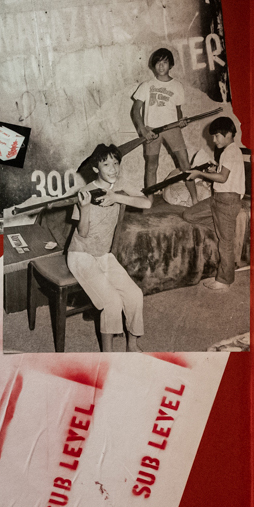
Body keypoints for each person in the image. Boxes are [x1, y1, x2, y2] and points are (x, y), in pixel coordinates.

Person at [67, 143, 152, 351]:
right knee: (112, 302)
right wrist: (84, 208)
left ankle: (132, 345)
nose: (113, 169)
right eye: (106, 164)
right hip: (81, 255)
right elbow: (83, 233)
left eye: (116, 163)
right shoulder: (85, 192)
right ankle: (108, 355)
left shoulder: (120, 183)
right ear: (96, 168)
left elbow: (147, 203)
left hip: (103, 255)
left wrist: (116, 197)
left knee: (134, 295)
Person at [186, 115, 246, 292]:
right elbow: (223, 174)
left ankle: (224, 280)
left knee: (225, 243)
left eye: (217, 136)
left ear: (228, 134)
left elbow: (222, 177)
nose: (214, 139)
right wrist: (213, 169)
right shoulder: (228, 152)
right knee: (189, 215)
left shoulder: (231, 151)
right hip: (218, 198)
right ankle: (225, 228)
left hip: (227, 200)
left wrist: (200, 174)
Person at [131, 48, 191, 192]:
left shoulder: (177, 86)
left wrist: (181, 121)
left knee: (185, 164)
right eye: (158, 62)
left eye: (164, 62)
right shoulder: (146, 85)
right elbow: (135, 110)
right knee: (151, 166)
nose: (161, 66)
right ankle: (149, 200)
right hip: (152, 130)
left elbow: (178, 110)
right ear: (153, 65)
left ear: (170, 64)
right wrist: (143, 129)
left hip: (172, 128)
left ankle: (195, 198)